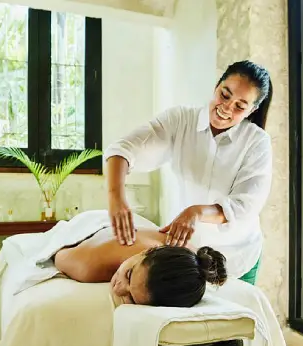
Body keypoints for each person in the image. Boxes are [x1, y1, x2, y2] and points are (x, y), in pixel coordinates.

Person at [103, 60, 273, 285]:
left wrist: (196, 212)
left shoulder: (257, 142)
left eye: (240, 106)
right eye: (225, 95)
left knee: (235, 318)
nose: (227, 108)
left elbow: (244, 206)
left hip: (239, 254)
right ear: (217, 86)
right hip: (190, 254)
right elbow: (124, 149)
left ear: (252, 110)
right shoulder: (180, 121)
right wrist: (116, 197)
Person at [53, 224, 227, 307]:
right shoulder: (89, 266)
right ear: (146, 252)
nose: (118, 290)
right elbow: (58, 255)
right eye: (128, 275)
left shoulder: (190, 263)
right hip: (98, 225)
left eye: (132, 298)